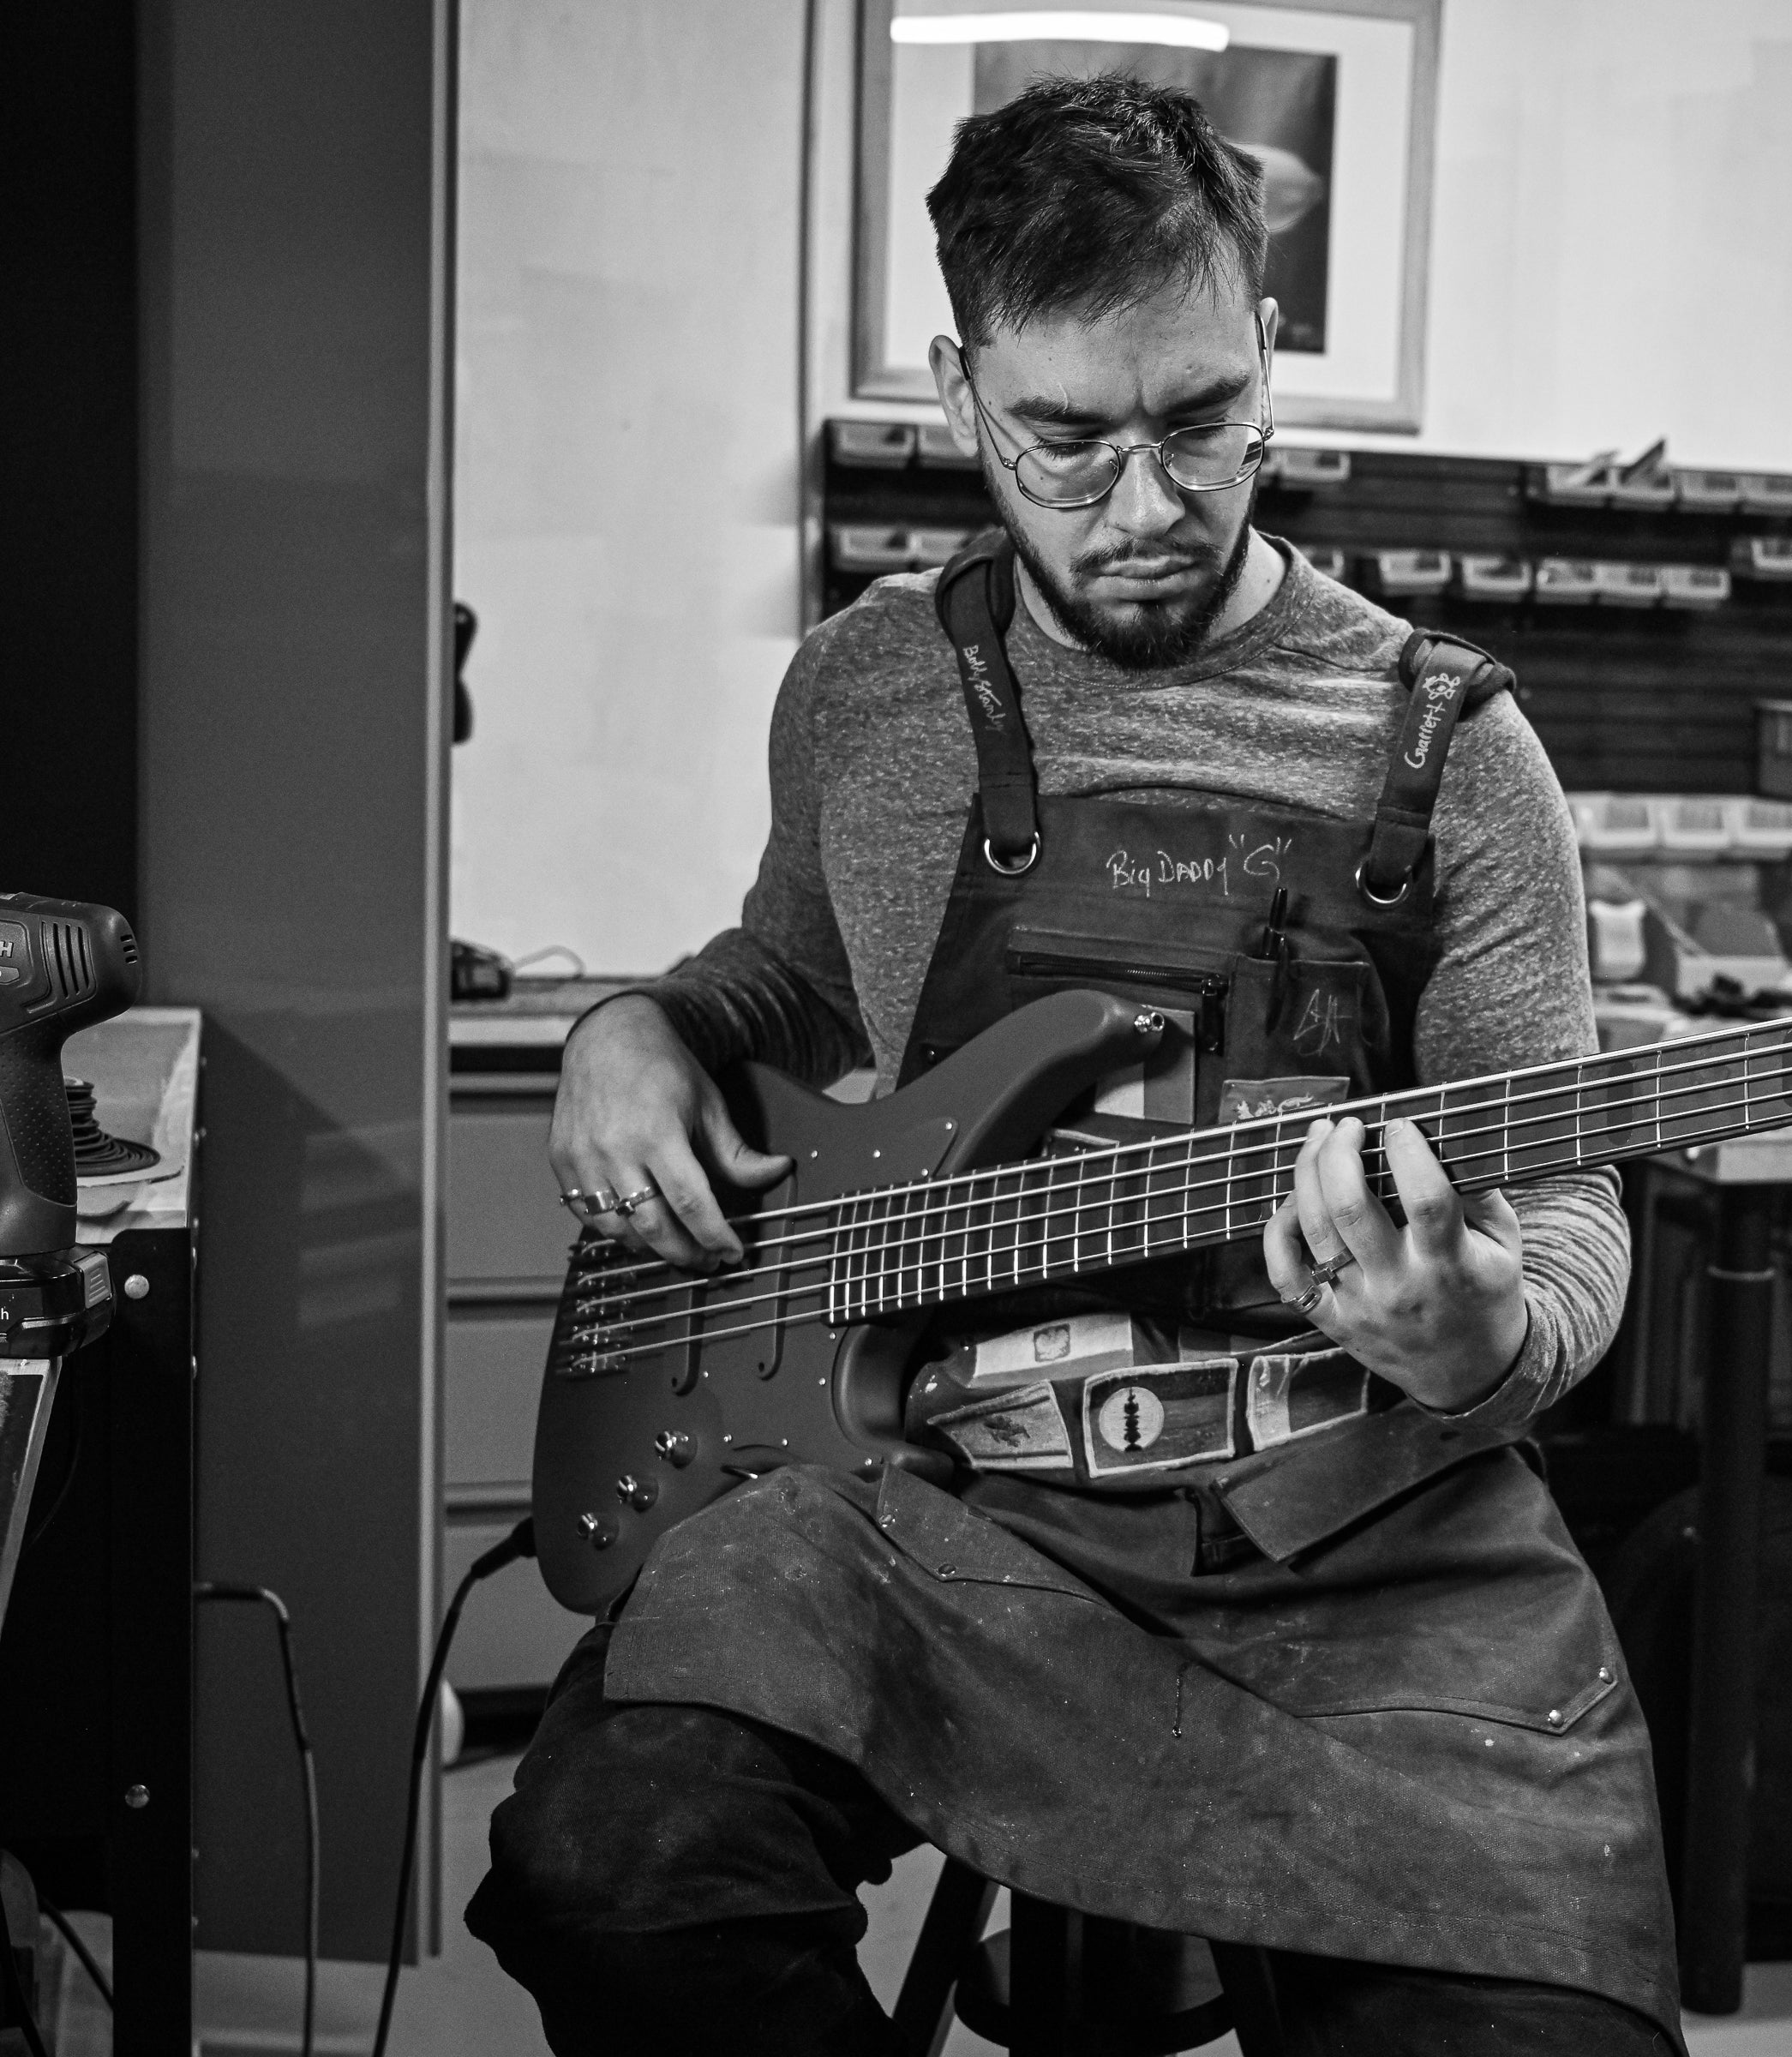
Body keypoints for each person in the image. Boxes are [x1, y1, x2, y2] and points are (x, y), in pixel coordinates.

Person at [468, 73, 1679, 2054]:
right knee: (618, 1871)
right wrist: (633, 1030)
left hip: (1361, 1535)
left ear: (1270, 357)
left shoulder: (1458, 752)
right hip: (942, 1505)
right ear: (963, 398)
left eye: (1201, 422)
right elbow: (784, 979)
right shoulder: (869, 692)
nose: (1146, 504)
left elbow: (1562, 1189)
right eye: (1068, 440)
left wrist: (1484, 1336)